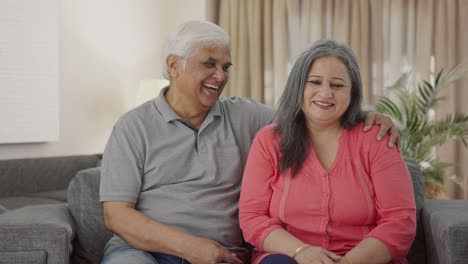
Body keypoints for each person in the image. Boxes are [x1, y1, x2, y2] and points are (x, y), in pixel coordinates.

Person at [100, 21, 400, 264]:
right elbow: (116, 215)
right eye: (209, 64)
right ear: (174, 65)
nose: (220, 76)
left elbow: (312, 113)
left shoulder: (246, 116)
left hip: (222, 256)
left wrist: (368, 116)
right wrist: (192, 248)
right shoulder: (132, 127)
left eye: (226, 67)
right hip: (141, 253)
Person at [238, 39, 416, 264]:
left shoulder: (376, 138)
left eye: (337, 85)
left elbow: (400, 221)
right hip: (289, 256)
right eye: (315, 82)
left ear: (353, 92)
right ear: (298, 87)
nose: (325, 93)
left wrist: (349, 262)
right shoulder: (270, 140)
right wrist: (301, 250)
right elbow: (252, 218)